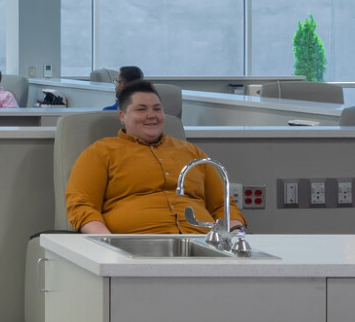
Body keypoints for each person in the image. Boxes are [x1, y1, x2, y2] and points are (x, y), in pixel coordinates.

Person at [67, 80, 246, 236]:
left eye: (157, 109)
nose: (151, 115)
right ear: (123, 116)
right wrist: (106, 242)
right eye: (141, 109)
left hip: (203, 243)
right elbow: (82, 206)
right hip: (132, 246)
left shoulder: (192, 153)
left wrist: (237, 233)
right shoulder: (100, 153)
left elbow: (222, 205)